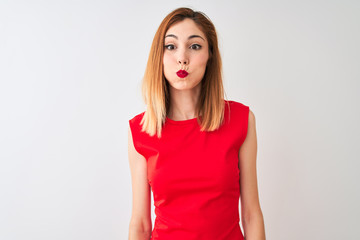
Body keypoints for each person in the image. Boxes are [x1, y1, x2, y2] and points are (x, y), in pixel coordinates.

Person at [128, 7, 265, 240]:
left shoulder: (241, 120)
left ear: (210, 55)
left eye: (195, 46)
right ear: (158, 57)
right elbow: (141, 224)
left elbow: (251, 214)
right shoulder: (141, 130)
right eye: (171, 46)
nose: (182, 58)